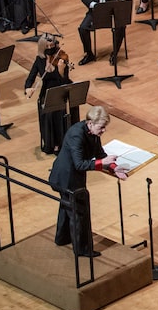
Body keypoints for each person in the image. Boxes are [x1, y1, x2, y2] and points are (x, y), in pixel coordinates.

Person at [48, 106, 128, 257]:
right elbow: (79, 164)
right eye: (101, 127)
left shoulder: (92, 133)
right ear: (90, 123)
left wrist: (113, 168)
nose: (104, 130)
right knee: (79, 212)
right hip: (66, 178)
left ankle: (62, 238)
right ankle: (82, 249)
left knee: (68, 206)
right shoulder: (76, 135)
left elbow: (99, 153)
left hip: (71, 177)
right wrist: (103, 162)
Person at [24, 34, 73, 154]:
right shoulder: (39, 60)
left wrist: (61, 71)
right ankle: (50, 143)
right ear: (42, 47)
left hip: (59, 91)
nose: (51, 47)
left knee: (56, 114)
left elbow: (65, 81)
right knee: (47, 114)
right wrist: (28, 88)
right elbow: (31, 77)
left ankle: (59, 144)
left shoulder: (61, 59)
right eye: (48, 46)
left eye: (52, 45)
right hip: (46, 92)